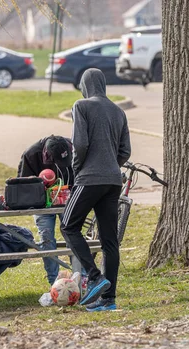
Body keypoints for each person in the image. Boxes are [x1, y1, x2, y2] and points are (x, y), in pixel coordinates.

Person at [61, 69, 131, 312]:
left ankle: (93, 276)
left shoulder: (81, 106)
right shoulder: (119, 111)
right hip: (113, 181)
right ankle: (108, 299)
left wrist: (78, 168)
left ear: (84, 86)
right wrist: (112, 166)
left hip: (89, 178)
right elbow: (125, 151)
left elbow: (79, 143)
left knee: (68, 225)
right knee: (110, 241)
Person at [18, 135, 74, 285]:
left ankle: (79, 277)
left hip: (68, 201)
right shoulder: (31, 154)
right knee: (46, 237)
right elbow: (22, 185)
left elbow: (80, 174)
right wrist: (41, 188)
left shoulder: (72, 147)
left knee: (73, 235)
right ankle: (53, 281)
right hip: (42, 204)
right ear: (48, 156)